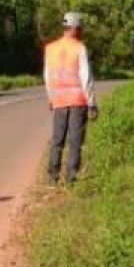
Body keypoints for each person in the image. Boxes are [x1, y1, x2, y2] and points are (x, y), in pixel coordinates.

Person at [44, 12, 98, 185]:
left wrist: (51, 98)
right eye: (80, 28)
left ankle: (53, 177)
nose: (82, 31)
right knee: (75, 141)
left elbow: (48, 76)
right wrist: (92, 103)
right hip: (77, 100)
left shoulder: (50, 48)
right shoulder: (79, 48)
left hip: (59, 101)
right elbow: (85, 77)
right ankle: (71, 178)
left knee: (57, 140)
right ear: (75, 28)